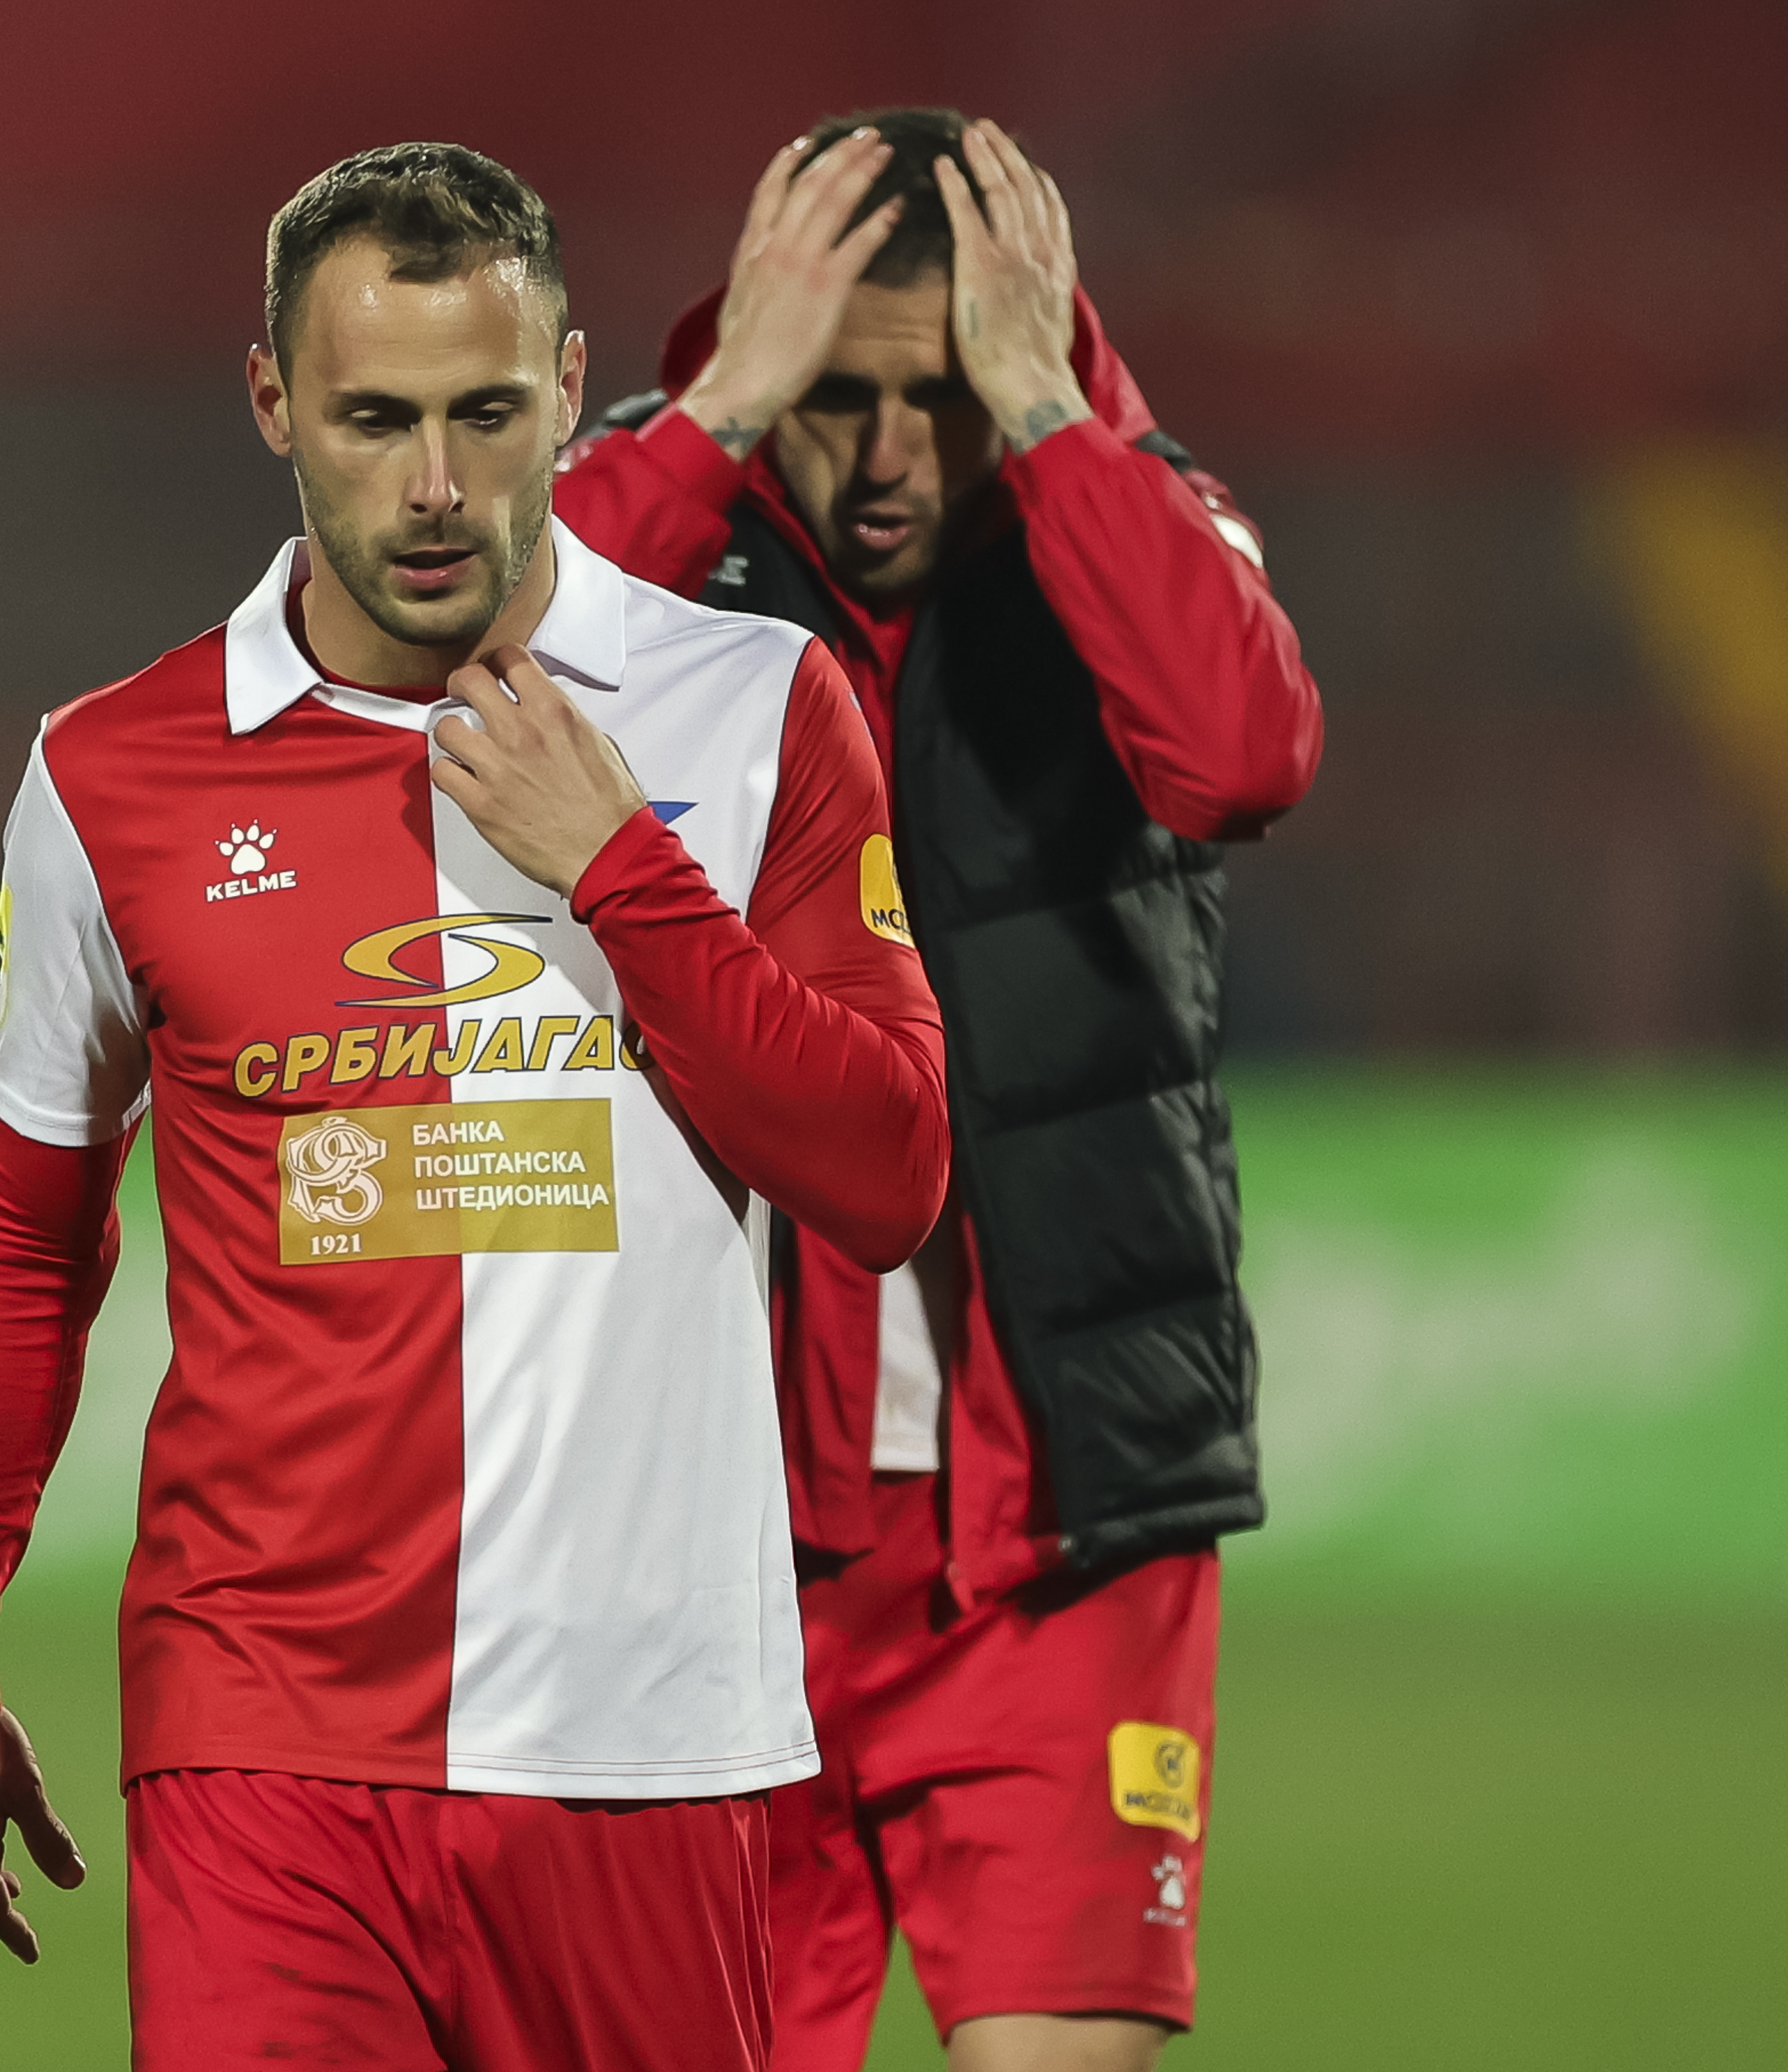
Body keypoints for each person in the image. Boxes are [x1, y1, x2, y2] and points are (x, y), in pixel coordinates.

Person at [0, 141, 952, 2072]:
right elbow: (28, 1232)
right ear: (275, 401)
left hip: (653, 1745)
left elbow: (886, 1173)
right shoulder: (115, 772)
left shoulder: (753, 705)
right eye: (374, 418)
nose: (437, 485)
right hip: (261, 1748)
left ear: (569, 383)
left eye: (486, 412)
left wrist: (624, 868)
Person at [555, 110, 1325, 2071]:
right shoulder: (665, 536)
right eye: (834, 396)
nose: (889, 456)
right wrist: (717, 412)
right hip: (709, 1537)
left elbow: (1239, 752)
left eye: (938, 396)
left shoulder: (1126, 513)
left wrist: (1052, 418)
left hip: (1057, 1520)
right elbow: (448, 717)